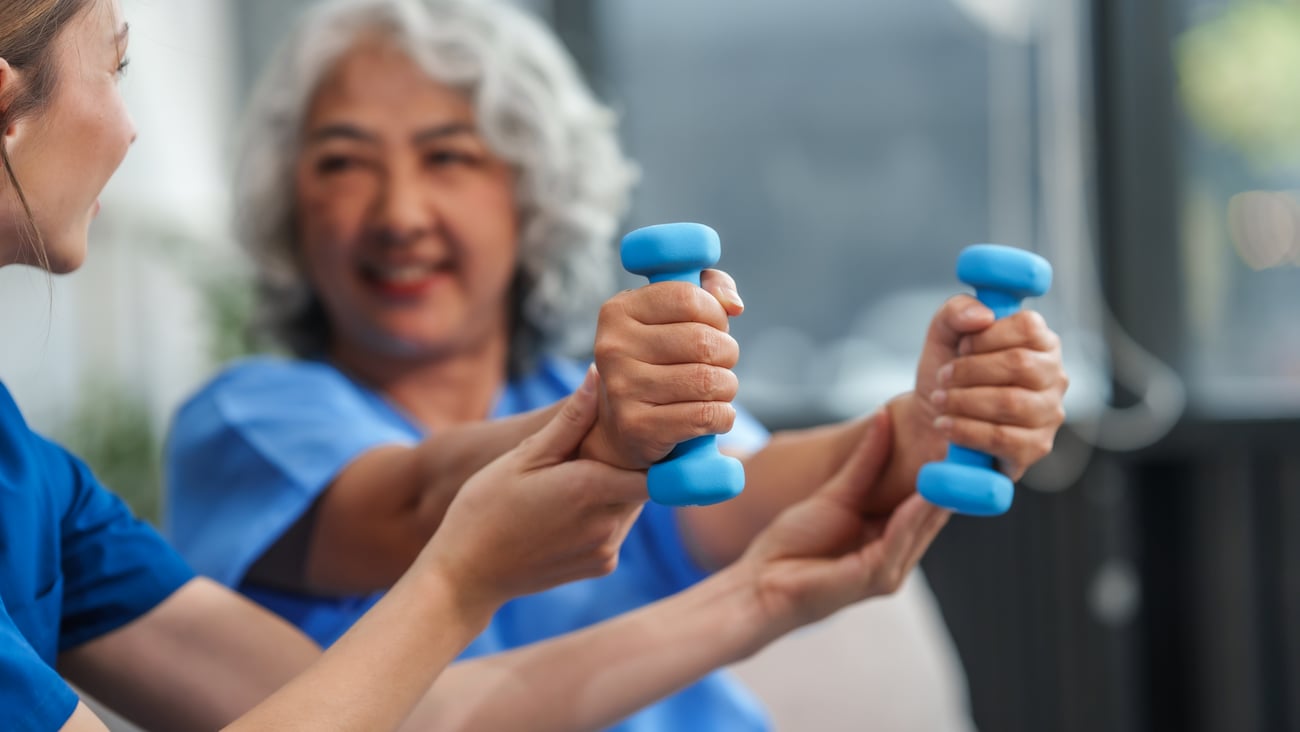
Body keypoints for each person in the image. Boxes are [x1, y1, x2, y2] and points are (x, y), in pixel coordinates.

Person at [0, 0, 955, 729]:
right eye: (115, 67)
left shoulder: (37, 481)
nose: (398, 213)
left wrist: (931, 422)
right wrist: (593, 449)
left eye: (448, 158)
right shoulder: (256, 416)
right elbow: (420, 501)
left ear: (532, 197)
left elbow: (424, 713)